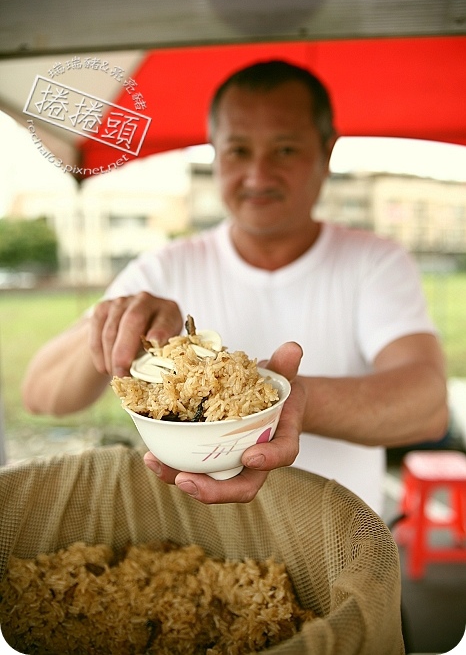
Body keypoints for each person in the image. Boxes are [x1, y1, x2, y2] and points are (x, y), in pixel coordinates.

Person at [21, 60, 448, 515]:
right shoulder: (164, 268)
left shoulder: (374, 262)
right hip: (201, 546)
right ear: (215, 152)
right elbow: (40, 392)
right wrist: (113, 333)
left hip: (340, 545)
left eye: (285, 150)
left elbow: (426, 404)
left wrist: (277, 400)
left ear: (327, 152)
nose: (258, 176)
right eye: (238, 150)